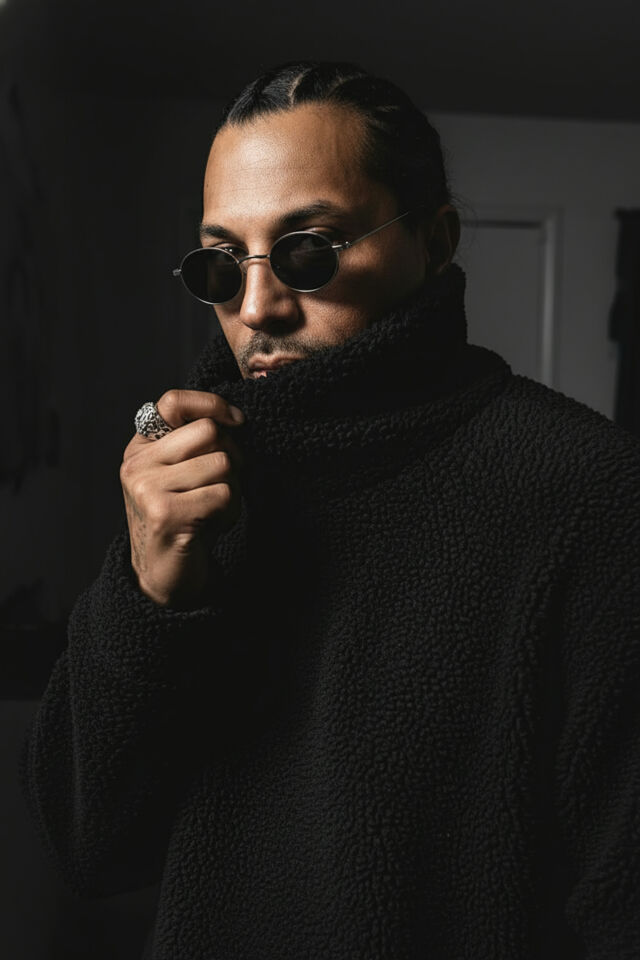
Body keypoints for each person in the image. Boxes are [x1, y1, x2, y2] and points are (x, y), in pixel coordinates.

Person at [19, 61, 640, 959]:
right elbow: (91, 847)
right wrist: (149, 593)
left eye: (309, 249)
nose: (256, 308)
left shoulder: (590, 493)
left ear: (434, 239)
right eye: (221, 264)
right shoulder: (196, 487)